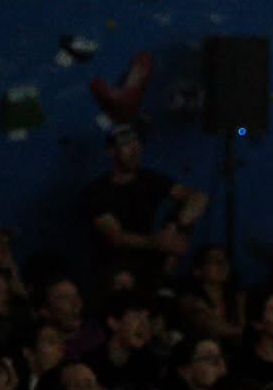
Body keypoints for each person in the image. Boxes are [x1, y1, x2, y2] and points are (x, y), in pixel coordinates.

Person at [81, 124, 208, 291]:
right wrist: (158, 242)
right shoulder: (97, 191)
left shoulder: (150, 180)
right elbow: (116, 236)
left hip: (151, 258)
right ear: (111, 151)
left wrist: (176, 224)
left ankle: (164, 283)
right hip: (114, 262)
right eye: (127, 145)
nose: (135, 150)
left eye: (137, 143)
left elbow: (198, 197)